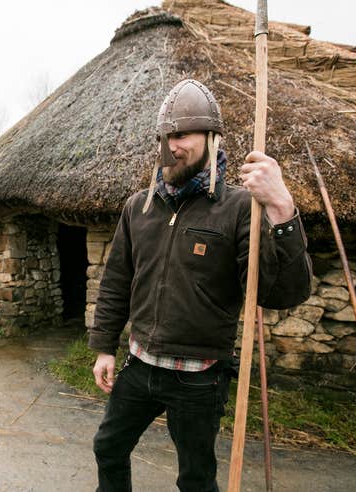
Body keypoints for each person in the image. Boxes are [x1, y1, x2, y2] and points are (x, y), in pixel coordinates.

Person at [89, 79, 312, 491]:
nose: (172, 146)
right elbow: (117, 280)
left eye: (183, 134)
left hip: (199, 375)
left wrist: (281, 208)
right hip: (139, 365)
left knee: (195, 477)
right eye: (166, 136)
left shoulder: (240, 207)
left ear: (212, 137)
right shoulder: (139, 206)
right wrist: (105, 346)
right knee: (108, 447)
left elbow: (280, 293)